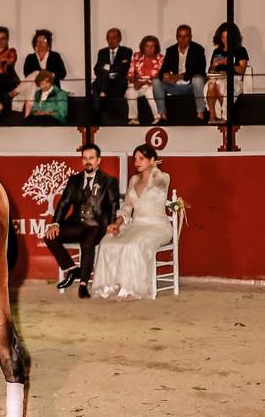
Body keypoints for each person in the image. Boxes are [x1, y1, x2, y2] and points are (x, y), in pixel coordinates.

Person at [92, 144, 173, 300]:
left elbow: (162, 184)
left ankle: (132, 289)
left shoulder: (162, 177)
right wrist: (116, 224)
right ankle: (111, 285)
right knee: (108, 241)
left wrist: (155, 169)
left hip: (157, 226)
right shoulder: (134, 180)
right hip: (136, 225)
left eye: (141, 159)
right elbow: (127, 207)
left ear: (152, 160)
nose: (136, 162)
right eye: (135, 159)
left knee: (134, 244)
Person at [44, 143, 120, 300]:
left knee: (87, 242)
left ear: (99, 160)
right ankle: (72, 269)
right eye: (84, 158)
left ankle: (83, 285)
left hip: (96, 225)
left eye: (91, 158)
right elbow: (64, 203)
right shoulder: (74, 180)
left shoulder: (109, 181)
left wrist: (112, 224)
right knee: (50, 236)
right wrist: (55, 223)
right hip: (76, 223)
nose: (88, 161)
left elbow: (114, 204)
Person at [153, 24, 207, 122]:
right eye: (180, 36)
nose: (183, 39)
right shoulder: (171, 50)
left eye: (186, 36)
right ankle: (162, 115)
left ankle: (200, 113)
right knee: (156, 81)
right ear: (176, 37)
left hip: (191, 86)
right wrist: (165, 76)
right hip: (175, 86)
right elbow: (163, 69)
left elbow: (200, 70)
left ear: (190, 37)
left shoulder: (198, 49)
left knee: (198, 79)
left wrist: (178, 76)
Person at [13, 29, 67, 115]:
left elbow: (62, 73)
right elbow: (27, 74)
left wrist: (48, 75)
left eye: (44, 40)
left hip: (50, 86)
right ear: (35, 44)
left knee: (37, 74)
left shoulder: (55, 56)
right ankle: (28, 113)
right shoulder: (30, 58)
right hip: (35, 87)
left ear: (48, 43)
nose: (41, 43)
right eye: (38, 41)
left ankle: (16, 92)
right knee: (35, 78)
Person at [205, 22, 249, 124]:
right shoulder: (217, 51)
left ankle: (225, 116)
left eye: (228, 37)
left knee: (220, 85)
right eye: (223, 37)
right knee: (211, 84)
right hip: (218, 77)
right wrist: (214, 66)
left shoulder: (240, 50)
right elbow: (210, 71)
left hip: (233, 79)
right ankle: (212, 116)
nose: (225, 40)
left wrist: (229, 63)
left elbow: (242, 70)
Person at [92, 27, 132, 118]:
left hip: (118, 81)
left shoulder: (126, 51)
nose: (111, 40)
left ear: (119, 39)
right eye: (109, 38)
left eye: (114, 37)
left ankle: (103, 97)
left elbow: (124, 68)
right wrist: (109, 73)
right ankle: (97, 114)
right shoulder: (102, 52)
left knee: (102, 85)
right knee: (95, 85)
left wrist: (108, 68)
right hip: (104, 81)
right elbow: (96, 69)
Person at [124, 35, 164, 125]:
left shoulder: (161, 58)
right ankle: (134, 118)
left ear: (156, 48)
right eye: (147, 46)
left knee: (151, 93)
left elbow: (159, 77)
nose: (149, 49)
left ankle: (158, 117)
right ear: (143, 47)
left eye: (152, 46)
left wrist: (143, 83)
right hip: (138, 84)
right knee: (131, 92)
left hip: (151, 84)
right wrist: (135, 82)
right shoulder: (136, 56)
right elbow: (130, 74)